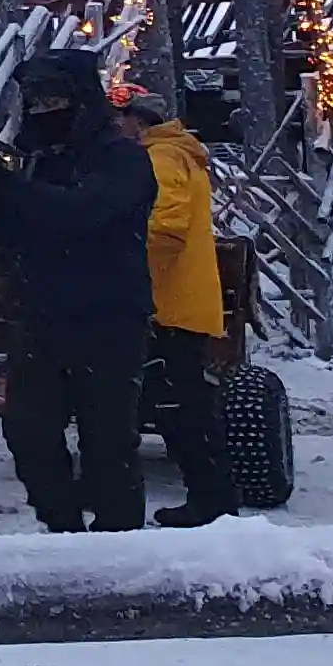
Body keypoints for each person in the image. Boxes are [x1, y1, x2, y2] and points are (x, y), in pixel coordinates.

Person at [0, 46, 157, 532]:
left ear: (81, 101)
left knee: (108, 442)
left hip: (110, 318)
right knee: (28, 431)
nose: (45, 114)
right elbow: (8, 231)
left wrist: (7, 184)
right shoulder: (36, 160)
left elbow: (74, 215)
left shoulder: (123, 160)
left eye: (54, 102)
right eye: (36, 104)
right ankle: (61, 528)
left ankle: (120, 542)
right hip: (41, 315)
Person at [120, 86, 237, 527]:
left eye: (123, 119)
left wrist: (117, 247)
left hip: (167, 303)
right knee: (181, 403)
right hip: (177, 302)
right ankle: (213, 498)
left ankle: (211, 502)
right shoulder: (175, 153)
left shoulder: (161, 158)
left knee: (179, 406)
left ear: (139, 121)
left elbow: (166, 228)